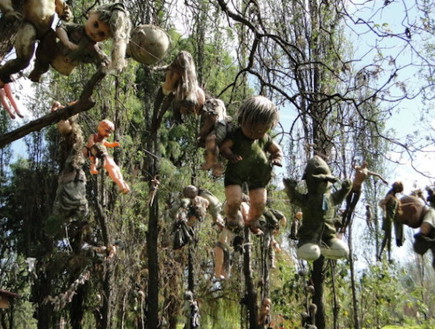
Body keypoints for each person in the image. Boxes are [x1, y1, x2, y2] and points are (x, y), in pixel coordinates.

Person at [220, 95, 283, 235]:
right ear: (243, 120)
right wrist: (230, 155)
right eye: (253, 129)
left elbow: (277, 150)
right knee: (234, 200)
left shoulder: (265, 139)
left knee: (260, 203)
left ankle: (252, 220)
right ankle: (232, 217)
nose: (257, 133)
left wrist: (277, 158)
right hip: (235, 175)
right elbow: (224, 147)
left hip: (259, 177)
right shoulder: (237, 135)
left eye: (262, 130)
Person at [29, 2, 131, 81]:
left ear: (107, 38)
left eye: (102, 34)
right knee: (47, 41)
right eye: (95, 25)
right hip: (54, 54)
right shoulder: (77, 29)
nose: (95, 32)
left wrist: (108, 64)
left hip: (66, 67)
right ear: (91, 14)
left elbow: (102, 60)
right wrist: (66, 41)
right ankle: (37, 70)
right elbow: (61, 27)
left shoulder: (95, 49)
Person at [283, 155, 352, 261]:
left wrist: (346, 189)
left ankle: (325, 247)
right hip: (309, 237)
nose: (324, 183)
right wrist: (290, 189)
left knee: (343, 251)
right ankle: (309, 245)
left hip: (329, 236)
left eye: (326, 180)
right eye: (319, 180)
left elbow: (340, 196)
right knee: (311, 253)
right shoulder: (308, 199)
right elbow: (295, 197)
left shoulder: (331, 197)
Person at [0, 0, 72, 83]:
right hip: (29, 24)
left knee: (47, 57)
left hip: (46, 30)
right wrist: (8, 10)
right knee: (24, 59)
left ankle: (37, 72)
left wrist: (67, 14)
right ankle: (3, 73)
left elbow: (64, 9)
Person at [47, 101, 88, 238]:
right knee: (59, 214)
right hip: (66, 183)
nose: (59, 125)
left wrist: (65, 109)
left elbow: (73, 112)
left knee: (80, 208)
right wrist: (56, 112)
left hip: (74, 181)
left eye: (62, 121)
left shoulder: (74, 137)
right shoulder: (65, 140)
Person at [153, 51, 205, 122]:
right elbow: (168, 67)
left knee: (175, 100)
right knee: (167, 95)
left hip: (188, 95)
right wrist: (156, 68)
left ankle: (170, 116)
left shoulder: (188, 73)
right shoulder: (178, 69)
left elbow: (169, 67)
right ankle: (157, 116)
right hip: (184, 93)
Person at [83, 119, 130, 194]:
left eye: (110, 132)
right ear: (100, 128)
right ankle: (121, 185)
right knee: (96, 161)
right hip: (94, 152)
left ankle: (123, 185)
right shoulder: (93, 136)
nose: (108, 134)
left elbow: (108, 144)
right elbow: (90, 142)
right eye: (107, 131)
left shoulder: (103, 140)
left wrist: (114, 144)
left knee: (116, 169)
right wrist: (93, 146)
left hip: (103, 155)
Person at [340, 161, 387, 233]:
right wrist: (353, 162)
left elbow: (377, 174)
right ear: (362, 163)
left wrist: (383, 180)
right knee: (347, 207)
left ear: (366, 165)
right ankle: (342, 225)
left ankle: (345, 227)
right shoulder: (358, 168)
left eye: (365, 164)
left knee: (351, 209)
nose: (364, 164)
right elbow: (353, 166)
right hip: (352, 188)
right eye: (363, 163)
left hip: (358, 190)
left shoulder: (367, 171)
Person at [395, 195, 435, 268]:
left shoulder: (431, 213)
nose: (409, 225)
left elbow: (420, 245)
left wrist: (419, 238)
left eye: (407, 221)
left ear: (413, 209)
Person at [198, 98, 234, 177]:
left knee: (211, 140)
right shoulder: (221, 153)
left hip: (221, 125)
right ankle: (212, 160)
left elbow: (213, 116)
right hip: (224, 131)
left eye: (215, 172)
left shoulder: (211, 105)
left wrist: (202, 134)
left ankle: (212, 160)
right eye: (217, 173)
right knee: (211, 142)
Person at [378, 181, 404, 261]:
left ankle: (380, 254)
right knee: (388, 237)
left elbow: (398, 209)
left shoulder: (396, 198)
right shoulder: (389, 196)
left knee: (386, 237)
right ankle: (389, 257)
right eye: (398, 189)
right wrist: (385, 211)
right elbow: (382, 204)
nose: (398, 191)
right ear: (396, 188)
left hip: (391, 218)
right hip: (387, 218)